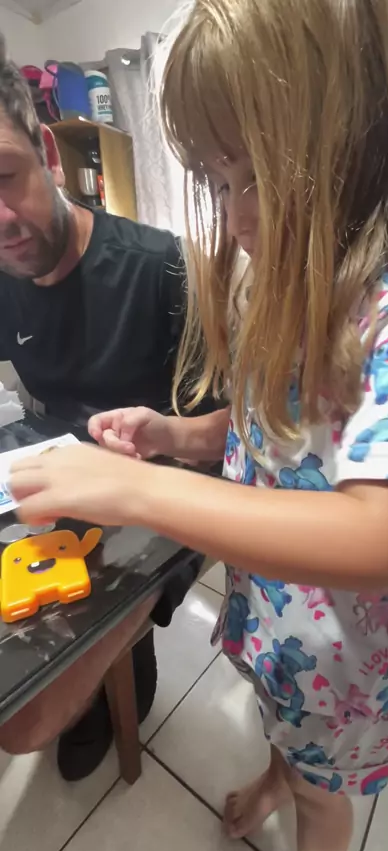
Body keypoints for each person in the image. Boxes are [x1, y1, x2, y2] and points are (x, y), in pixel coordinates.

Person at [9, 1, 388, 851]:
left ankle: (295, 787)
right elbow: (265, 421)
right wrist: (173, 435)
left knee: (320, 798)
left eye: (250, 174)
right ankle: (276, 772)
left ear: (357, 136)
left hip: (342, 661)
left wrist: (135, 490)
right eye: (219, 183)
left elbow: (380, 537)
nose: (233, 217)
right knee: (278, 731)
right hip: (273, 616)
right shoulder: (293, 296)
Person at [0, 41, 212, 783]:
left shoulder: (161, 267)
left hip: (160, 494)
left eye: (5, 177)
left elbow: (228, 440)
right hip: (54, 478)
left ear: (49, 154)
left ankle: (125, 656)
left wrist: (149, 457)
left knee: (27, 721)